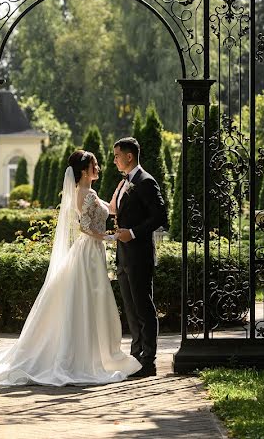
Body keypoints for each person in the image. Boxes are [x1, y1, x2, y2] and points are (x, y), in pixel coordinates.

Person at [0, 150, 141, 386]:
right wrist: (108, 238)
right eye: (94, 165)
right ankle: (85, 356)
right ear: (83, 170)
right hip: (89, 250)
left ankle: (92, 353)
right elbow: (85, 227)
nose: (98, 168)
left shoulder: (88, 192)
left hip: (91, 251)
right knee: (88, 300)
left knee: (90, 300)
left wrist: (122, 190)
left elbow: (109, 209)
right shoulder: (86, 194)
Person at [110, 137, 169, 378]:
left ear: (129, 156)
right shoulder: (125, 182)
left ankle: (149, 360)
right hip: (124, 257)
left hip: (140, 255)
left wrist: (132, 233)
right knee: (131, 309)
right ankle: (135, 356)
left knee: (144, 307)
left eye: (116, 155)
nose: (114, 160)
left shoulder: (146, 182)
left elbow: (160, 217)